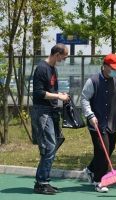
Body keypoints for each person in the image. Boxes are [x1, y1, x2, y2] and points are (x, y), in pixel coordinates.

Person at [81, 53, 116, 193]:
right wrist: (90, 115)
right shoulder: (93, 81)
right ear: (105, 66)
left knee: (108, 150)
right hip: (97, 122)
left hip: (113, 122)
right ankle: (99, 181)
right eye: (113, 68)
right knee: (102, 152)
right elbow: (84, 99)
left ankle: (89, 170)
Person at [31, 43, 70, 195]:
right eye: (64, 57)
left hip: (52, 110)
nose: (64, 60)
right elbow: (39, 93)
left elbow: (50, 90)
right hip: (43, 111)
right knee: (49, 146)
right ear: (57, 54)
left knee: (54, 143)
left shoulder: (53, 68)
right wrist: (58, 96)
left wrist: (60, 95)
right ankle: (41, 182)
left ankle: (43, 180)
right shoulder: (42, 68)